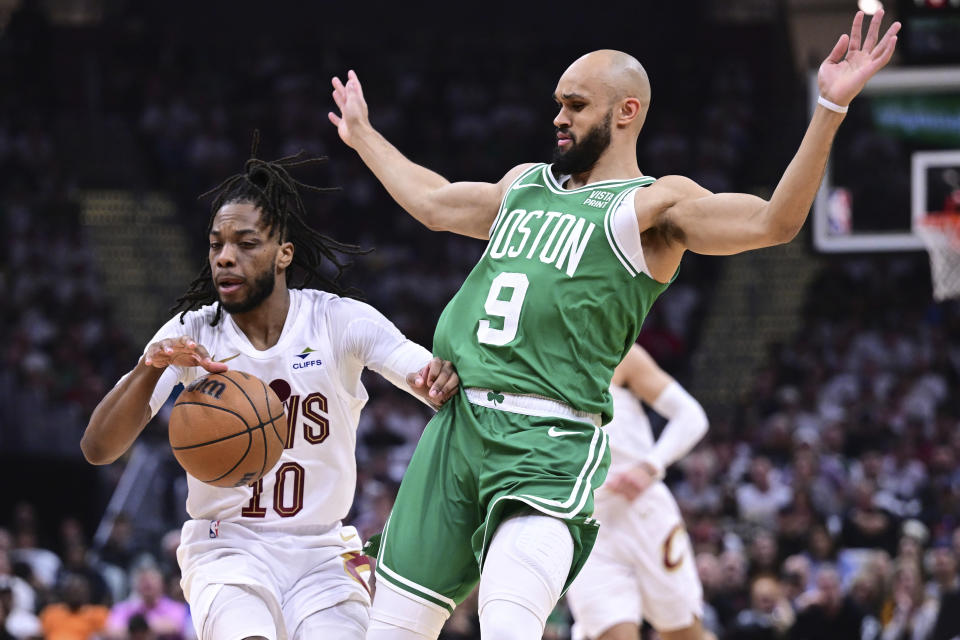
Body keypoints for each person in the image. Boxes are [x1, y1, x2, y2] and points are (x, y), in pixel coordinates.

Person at [328, 10, 900, 640]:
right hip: (454, 433)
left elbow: (773, 222)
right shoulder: (524, 185)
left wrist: (827, 108)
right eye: (557, 103)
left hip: (545, 440)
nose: (558, 117)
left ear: (625, 112)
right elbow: (435, 205)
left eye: (574, 104)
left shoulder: (653, 206)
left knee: (508, 618)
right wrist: (364, 137)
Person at [80, 151, 460, 640]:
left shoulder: (338, 321)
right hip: (227, 547)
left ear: (284, 252)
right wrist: (149, 368)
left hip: (323, 552)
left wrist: (438, 378)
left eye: (245, 243)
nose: (224, 256)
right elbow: (98, 449)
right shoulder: (193, 333)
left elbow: (422, 374)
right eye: (216, 244)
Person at [565, 344, 709, 640]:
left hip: (643, 511)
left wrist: (650, 466)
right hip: (586, 524)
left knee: (686, 634)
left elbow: (691, 416)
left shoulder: (615, 349)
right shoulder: (523, 358)